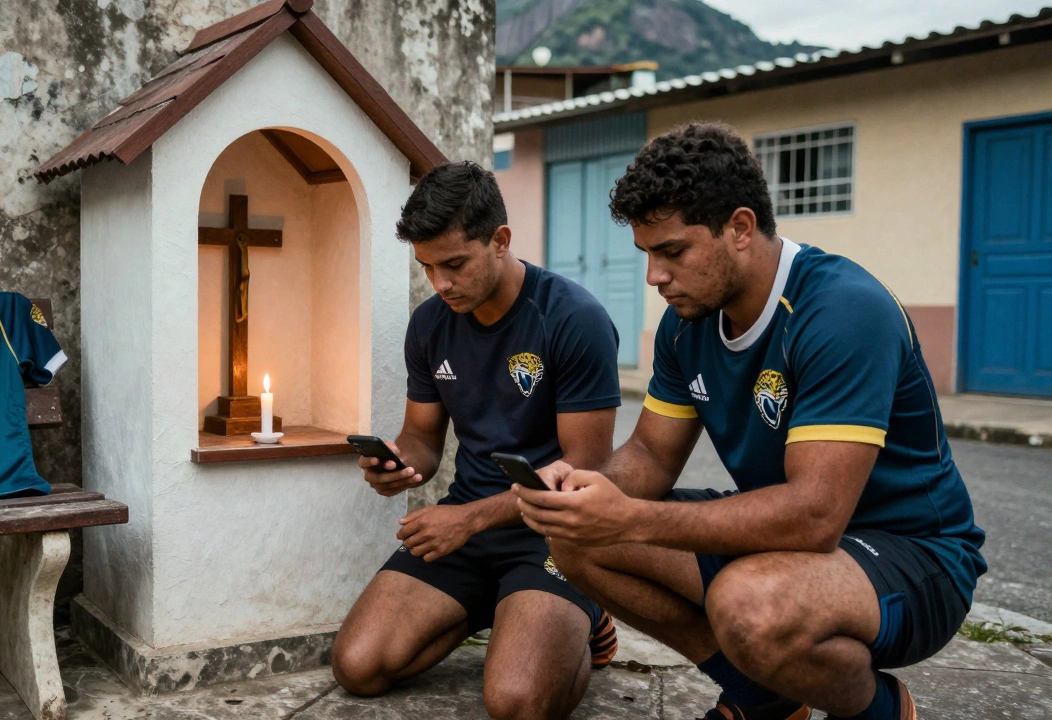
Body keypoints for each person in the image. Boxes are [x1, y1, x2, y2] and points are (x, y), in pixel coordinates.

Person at [511, 123, 985, 720]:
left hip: (916, 557)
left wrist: (631, 516)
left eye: (673, 251)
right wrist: (586, 494)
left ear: (739, 228)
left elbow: (815, 515)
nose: (655, 276)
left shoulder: (841, 310)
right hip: (783, 542)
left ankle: (881, 710)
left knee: (749, 604)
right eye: (647, 254)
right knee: (579, 541)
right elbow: (652, 457)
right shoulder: (686, 325)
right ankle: (765, 696)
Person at [330, 161, 623, 719]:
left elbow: (587, 469)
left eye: (454, 264)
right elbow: (420, 439)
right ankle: (501, 603)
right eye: (427, 268)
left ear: (500, 241)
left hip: (553, 534)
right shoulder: (430, 325)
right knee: (358, 666)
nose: (440, 284)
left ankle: (583, 614)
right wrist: (395, 465)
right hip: (469, 528)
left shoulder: (572, 318)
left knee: (517, 702)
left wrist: (467, 519)